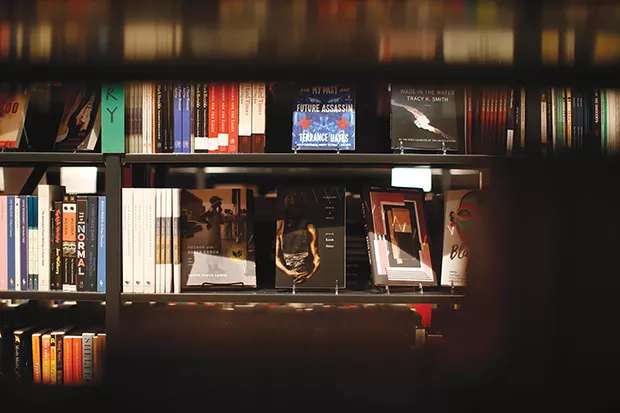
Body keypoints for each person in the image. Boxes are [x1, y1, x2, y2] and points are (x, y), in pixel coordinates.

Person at [275, 192, 320, 284]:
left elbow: (317, 258)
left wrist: (306, 276)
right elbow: (317, 258)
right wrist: (307, 276)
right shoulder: (281, 227)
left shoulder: (309, 228)